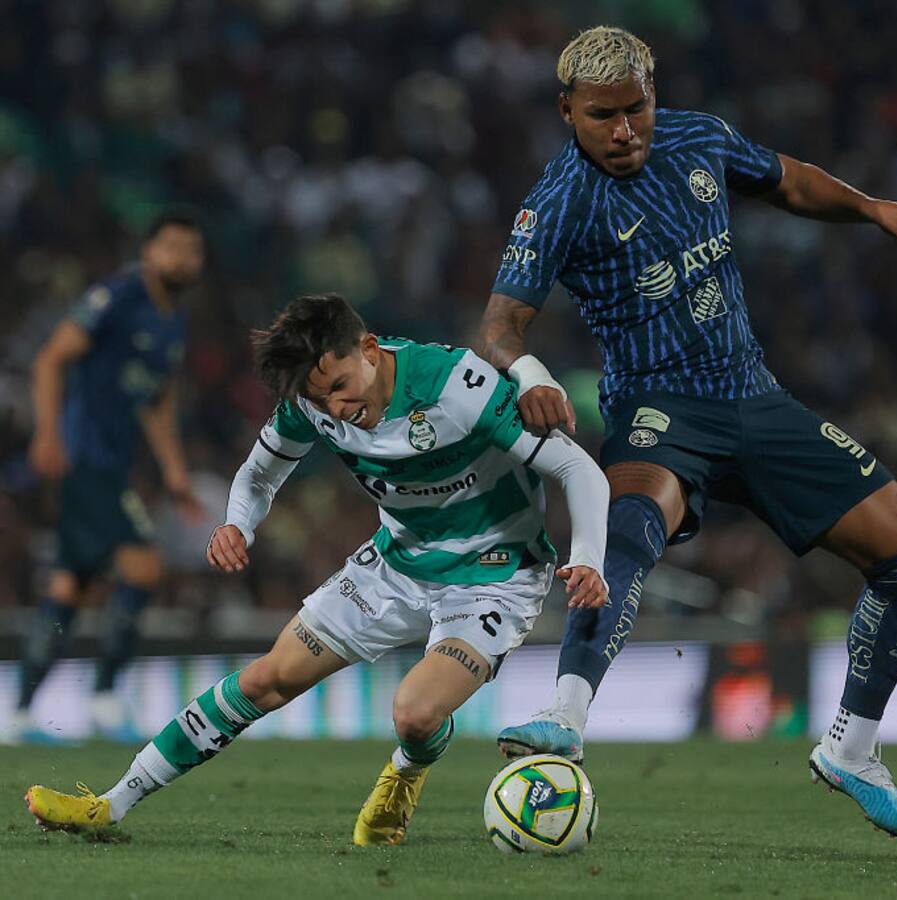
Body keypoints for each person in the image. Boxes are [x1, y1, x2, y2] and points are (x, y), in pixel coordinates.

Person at [475, 26, 897, 841]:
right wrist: (528, 375)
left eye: (636, 108)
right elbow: (498, 326)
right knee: (627, 527)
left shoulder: (698, 136)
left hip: (755, 398)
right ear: (567, 111)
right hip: (659, 411)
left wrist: (870, 208)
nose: (625, 130)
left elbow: (787, 181)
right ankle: (565, 716)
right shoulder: (560, 200)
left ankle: (852, 750)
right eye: (603, 115)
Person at [25, 293, 610, 844]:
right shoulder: (311, 401)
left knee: (413, 714)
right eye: (321, 397)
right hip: (397, 563)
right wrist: (237, 524)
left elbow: (579, 471)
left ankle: (404, 773)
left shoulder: (458, 386)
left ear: (370, 349)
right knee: (265, 679)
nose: (338, 408)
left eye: (341, 386)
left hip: (493, 574)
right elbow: (258, 474)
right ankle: (112, 803)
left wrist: (586, 557)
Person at [6, 212, 205, 744]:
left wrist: (175, 472)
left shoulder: (173, 320)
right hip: (86, 459)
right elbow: (51, 358)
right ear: (148, 252)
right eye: (171, 247)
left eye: (191, 250)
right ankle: (106, 696)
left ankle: (22, 708)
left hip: (111, 464)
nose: (181, 258)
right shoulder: (118, 297)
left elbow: (156, 401)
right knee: (143, 567)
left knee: (69, 589)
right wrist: (48, 433)